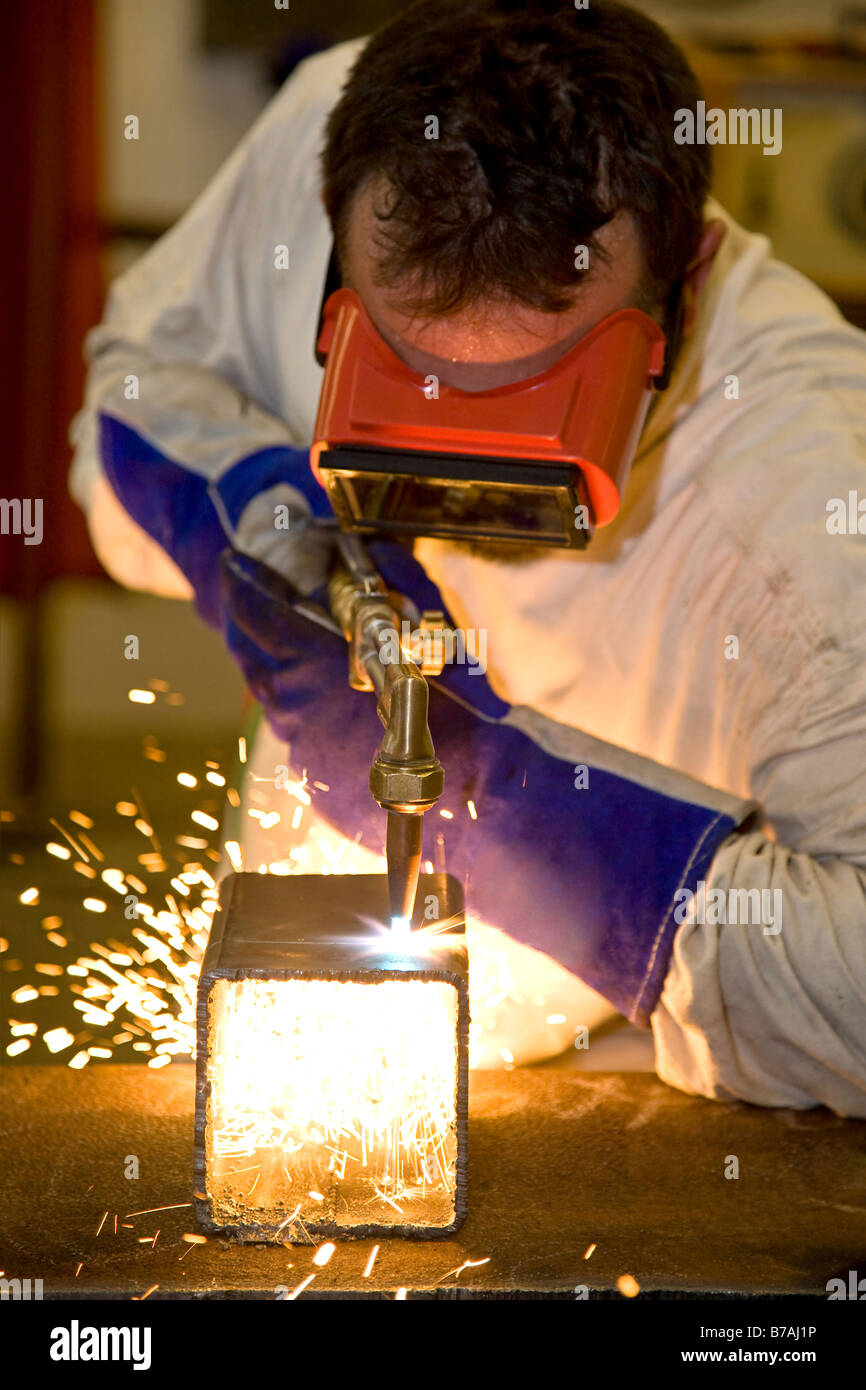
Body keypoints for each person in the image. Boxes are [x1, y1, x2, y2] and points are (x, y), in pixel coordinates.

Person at [71, 0, 866, 1114]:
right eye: (413, 389)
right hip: (308, 1014)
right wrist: (255, 528)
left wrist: (517, 813)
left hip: (596, 1072)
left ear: (685, 277)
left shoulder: (816, 505)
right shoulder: (335, 133)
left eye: (524, 419)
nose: (460, 483)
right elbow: (139, 383)